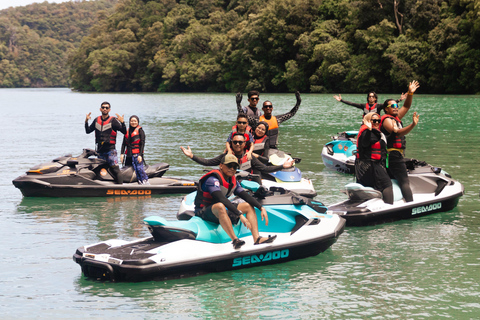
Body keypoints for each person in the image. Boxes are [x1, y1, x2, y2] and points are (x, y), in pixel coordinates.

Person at [194, 154, 277, 249]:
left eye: (235, 166)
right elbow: (221, 199)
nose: (232, 169)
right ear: (221, 165)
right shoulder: (212, 180)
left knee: (248, 206)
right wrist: (239, 214)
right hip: (203, 211)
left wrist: (261, 207)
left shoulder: (232, 180)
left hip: (220, 210)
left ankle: (257, 239)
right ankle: (235, 240)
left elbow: (244, 195)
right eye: (229, 166)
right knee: (220, 205)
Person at [181, 133, 294, 177]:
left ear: (245, 144)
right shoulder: (225, 157)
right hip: (231, 186)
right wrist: (191, 156)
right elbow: (207, 162)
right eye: (235, 142)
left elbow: (265, 168)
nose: (238, 144)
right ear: (231, 144)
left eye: (240, 142)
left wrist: (282, 166)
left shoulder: (249, 157)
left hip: (247, 187)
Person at [380, 80, 420, 203]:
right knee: (404, 181)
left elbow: (406, 106)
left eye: (396, 106)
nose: (396, 108)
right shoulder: (386, 120)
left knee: (394, 180)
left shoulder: (395, 118)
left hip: (395, 155)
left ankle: (393, 202)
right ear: (386, 109)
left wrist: (410, 93)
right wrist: (412, 124)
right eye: (393, 106)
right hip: (392, 156)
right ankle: (410, 204)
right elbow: (397, 132)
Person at [356, 112, 393, 204]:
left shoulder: (375, 132)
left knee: (372, 186)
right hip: (370, 166)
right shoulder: (366, 132)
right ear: (368, 121)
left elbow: (381, 142)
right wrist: (368, 129)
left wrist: (394, 132)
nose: (377, 122)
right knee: (387, 185)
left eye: (378, 120)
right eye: (374, 120)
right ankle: (388, 207)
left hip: (365, 167)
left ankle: (371, 205)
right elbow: (365, 143)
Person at [85, 101, 126, 184]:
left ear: (109, 110)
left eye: (106, 108)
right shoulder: (97, 120)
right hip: (100, 151)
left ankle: (120, 187)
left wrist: (122, 122)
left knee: (115, 169)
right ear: (100, 109)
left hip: (110, 150)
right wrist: (86, 121)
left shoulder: (113, 121)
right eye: (103, 107)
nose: (104, 109)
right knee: (99, 170)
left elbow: (124, 132)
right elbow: (88, 131)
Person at [120, 115, 149, 185]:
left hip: (137, 154)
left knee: (139, 168)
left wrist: (140, 155)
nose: (133, 122)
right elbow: (124, 144)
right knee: (127, 168)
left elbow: (142, 144)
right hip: (129, 155)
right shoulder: (127, 131)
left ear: (138, 122)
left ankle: (145, 181)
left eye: (135, 121)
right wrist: (122, 154)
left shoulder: (140, 131)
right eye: (132, 121)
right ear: (129, 122)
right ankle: (129, 181)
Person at [333, 91, 406, 117]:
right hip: (365, 124)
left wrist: (400, 99)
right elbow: (352, 104)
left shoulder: (379, 106)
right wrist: (341, 100)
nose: (371, 98)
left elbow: (389, 104)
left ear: (375, 98)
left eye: (373, 97)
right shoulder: (363, 106)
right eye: (370, 96)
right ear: (368, 98)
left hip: (376, 124)